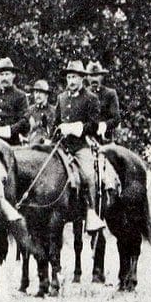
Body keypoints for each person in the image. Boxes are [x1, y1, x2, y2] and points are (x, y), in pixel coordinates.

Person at [52, 60, 105, 233]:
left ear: (82, 78)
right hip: (62, 146)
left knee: (89, 175)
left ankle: (91, 212)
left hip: (81, 145)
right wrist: (57, 131)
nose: (71, 81)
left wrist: (76, 128)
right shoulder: (61, 98)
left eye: (74, 77)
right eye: (69, 77)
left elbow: (94, 125)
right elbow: (55, 123)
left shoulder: (91, 98)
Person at [0, 58, 31, 144]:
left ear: (13, 75)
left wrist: (9, 130)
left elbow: (24, 121)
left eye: (7, 74)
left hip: (12, 140)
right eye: (1, 75)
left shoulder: (20, 96)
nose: (4, 78)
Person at [85, 61, 120, 142]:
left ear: (102, 77)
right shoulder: (83, 94)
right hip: (86, 139)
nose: (94, 79)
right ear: (86, 77)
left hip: (105, 139)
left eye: (97, 75)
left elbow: (116, 118)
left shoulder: (110, 94)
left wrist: (104, 125)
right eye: (91, 75)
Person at [25, 80, 53, 145]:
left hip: (47, 145)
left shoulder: (53, 111)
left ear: (46, 95)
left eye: (41, 92)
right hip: (31, 143)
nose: (38, 95)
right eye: (36, 92)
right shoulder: (30, 110)